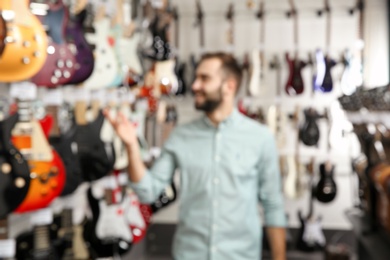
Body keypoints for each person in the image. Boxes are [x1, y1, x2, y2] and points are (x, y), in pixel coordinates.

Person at [104, 52, 287, 260]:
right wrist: (131, 146)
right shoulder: (181, 136)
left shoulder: (260, 138)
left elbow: (273, 206)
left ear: (229, 86)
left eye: (205, 78)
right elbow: (148, 192)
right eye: (196, 78)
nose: (194, 86)